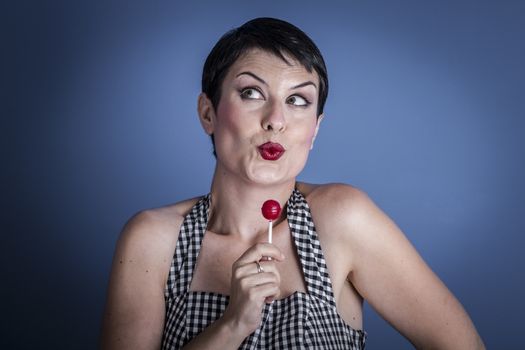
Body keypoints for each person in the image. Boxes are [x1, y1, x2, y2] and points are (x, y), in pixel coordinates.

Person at [100, 17, 485, 349]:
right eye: (251, 93)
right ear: (208, 113)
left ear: (315, 129)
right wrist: (233, 325)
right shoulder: (152, 240)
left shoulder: (343, 219)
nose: (276, 120)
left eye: (298, 100)